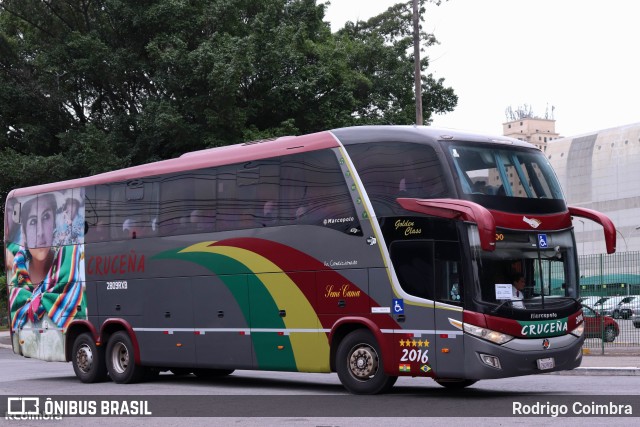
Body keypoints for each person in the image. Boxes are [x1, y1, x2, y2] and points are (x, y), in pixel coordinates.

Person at [8, 192, 86, 361]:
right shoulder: (17, 286)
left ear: (55, 223)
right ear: (24, 233)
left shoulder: (72, 271)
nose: (41, 233)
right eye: (33, 222)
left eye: (46, 217)